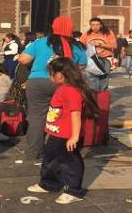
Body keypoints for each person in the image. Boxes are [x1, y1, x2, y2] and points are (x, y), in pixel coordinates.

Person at [26, 57, 100, 204]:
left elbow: (76, 113)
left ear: (60, 74)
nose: (49, 77)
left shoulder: (71, 91)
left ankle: (74, 191)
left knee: (70, 163)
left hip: (67, 135)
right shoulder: (62, 88)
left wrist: (74, 136)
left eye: (50, 73)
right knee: (50, 158)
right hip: (56, 133)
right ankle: (49, 183)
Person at [18, 16, 87, 162]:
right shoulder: (77, 46)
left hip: (37, 82)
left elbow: (23, 59)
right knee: (66, 117)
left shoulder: (41, 42)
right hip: (63, 84)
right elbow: (81, 66)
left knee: (37, 118)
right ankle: (63, 149)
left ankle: (33, 153)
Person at [80, 18, 116, 90]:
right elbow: (81, 46)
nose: (95, 27)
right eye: (93, 25)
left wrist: (99, 45)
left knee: (104, 78)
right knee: (91, 77)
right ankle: (94, 94)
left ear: (101, 25)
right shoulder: (86, 34)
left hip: (105, 58)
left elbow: (114, 46)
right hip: (92, 60)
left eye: (97, 25)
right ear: (90, 26)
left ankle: (102, 95)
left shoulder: (108, 33)